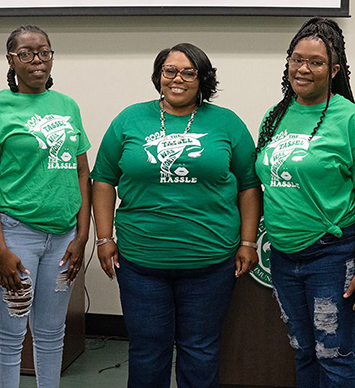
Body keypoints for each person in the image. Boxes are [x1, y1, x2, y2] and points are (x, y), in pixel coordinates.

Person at [91, 42, 260, 388]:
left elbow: (248, 185)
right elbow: (104, 179)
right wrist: (104, 237)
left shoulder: (226, 123)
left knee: (200, 350)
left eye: (188, 72)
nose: (177, 78)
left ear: (203, 79)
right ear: (158, 76)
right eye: (169, 71)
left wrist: (248, 241)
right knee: (147, 351)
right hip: (141, 264)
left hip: (210, 263)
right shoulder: (129, 119)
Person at [0, 25, 90, 388]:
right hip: (15, 233)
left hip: (64, 235)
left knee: (52, 333)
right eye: (26, 53)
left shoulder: (67, 105)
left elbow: (82, 172)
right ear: (11, 60)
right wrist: (0, 248)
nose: (37, 60)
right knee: (9, 335)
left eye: (44, 52)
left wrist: (83, 234)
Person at [254, 17, 355, 388]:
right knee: (303, 350)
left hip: (333, 256)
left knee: (335, 355)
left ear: (334, 69)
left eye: (316, 62)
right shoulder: (274, 117)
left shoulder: (353, 120)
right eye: (296, 59)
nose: (303, 69)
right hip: (284, 256)